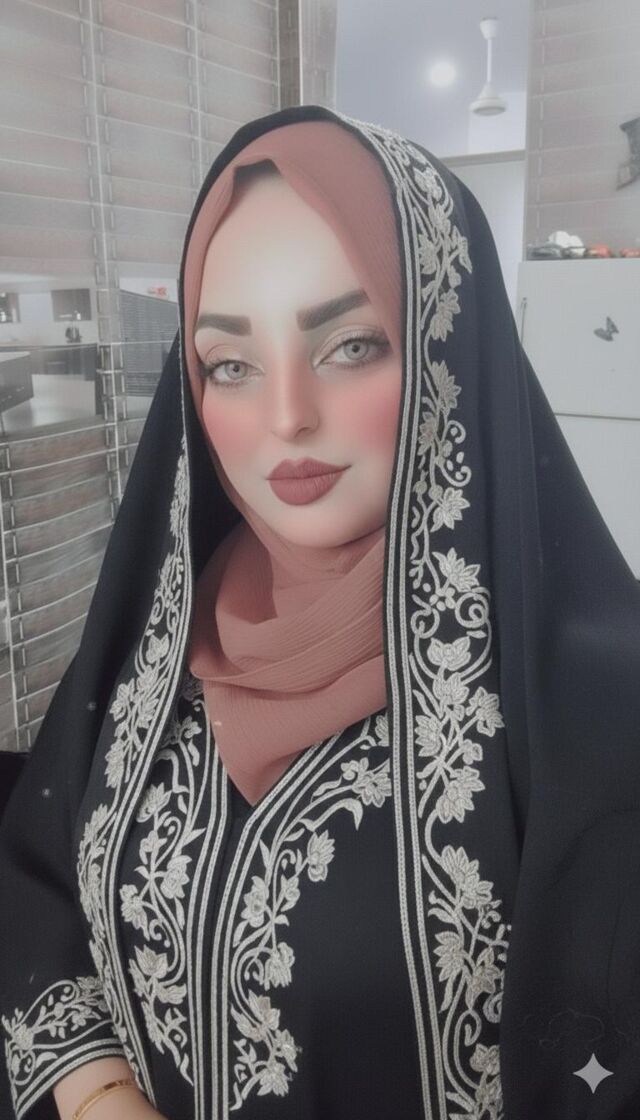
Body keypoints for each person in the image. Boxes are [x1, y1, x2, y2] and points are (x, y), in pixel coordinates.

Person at [0, 102, 639, 1120]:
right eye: (231, 364)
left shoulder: (595, 711)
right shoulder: (155, 645)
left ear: (446, 347)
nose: (286, 416)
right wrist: (96, 1093)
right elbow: (34, 877)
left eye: (349, 346)